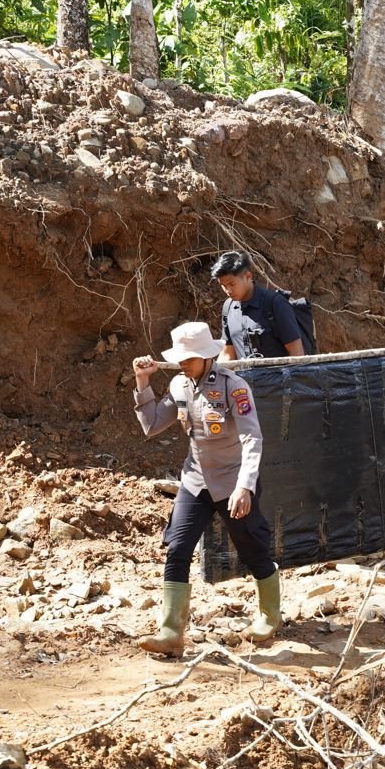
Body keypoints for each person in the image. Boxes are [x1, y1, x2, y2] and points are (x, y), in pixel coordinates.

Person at [132, 322, 280, 656]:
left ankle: (270, 615)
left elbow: (252, 438)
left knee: (252, 548)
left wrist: (245, 486)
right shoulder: (180, 384)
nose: (183, 363)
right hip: (195, 480)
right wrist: (143, 382)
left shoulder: (234, 387)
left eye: (189, 358)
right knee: (177, 548)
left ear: (206, 356)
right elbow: (153, 425)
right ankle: (171, 633)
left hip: (232, 481)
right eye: (180, 358)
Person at [211, 251, 307, 360]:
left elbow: (297, 353)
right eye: (223, 286)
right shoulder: (228, 308)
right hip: (243, 376)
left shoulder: (275, 303)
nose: (228, 290)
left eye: (232, 284)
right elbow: (228, 353)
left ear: (248, 276)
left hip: (279, 375)